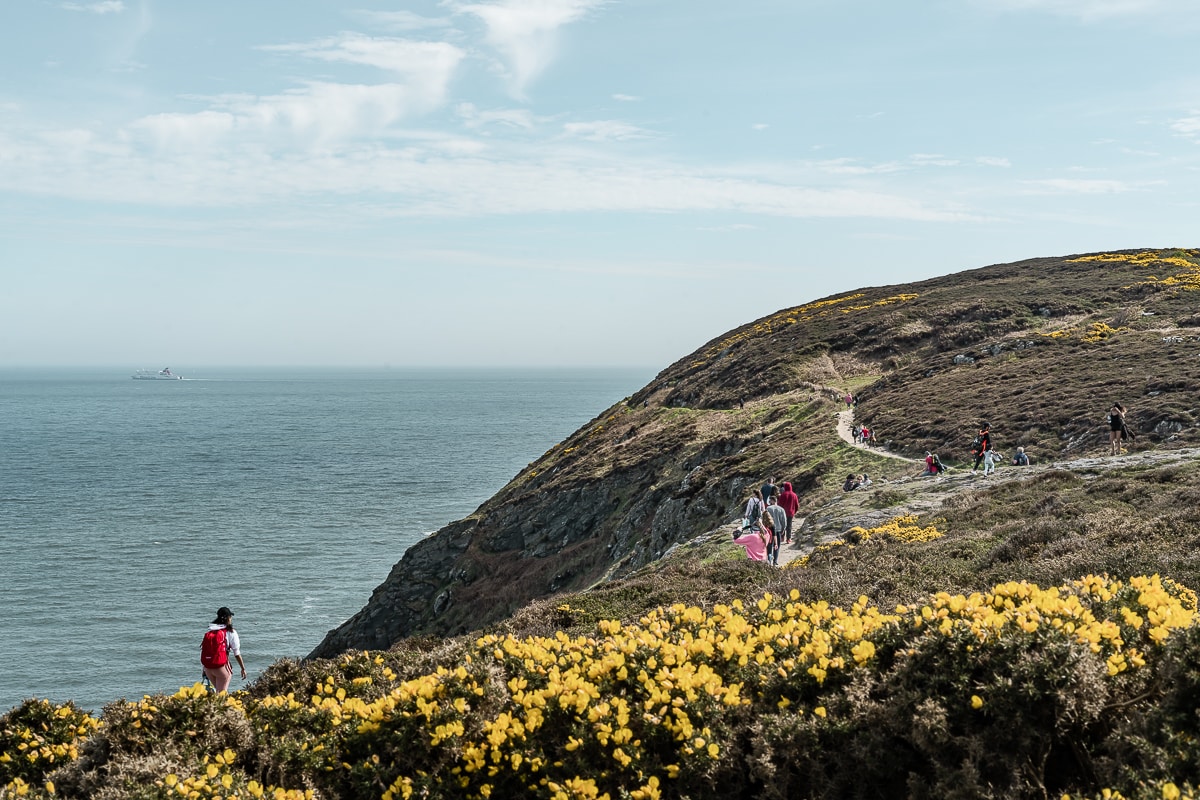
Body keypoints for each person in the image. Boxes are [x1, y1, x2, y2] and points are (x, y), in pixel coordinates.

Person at [201, 607, 246, 693]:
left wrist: (204, 670)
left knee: (218, 692)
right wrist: (243, 668)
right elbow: (236, 653)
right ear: (228, 618)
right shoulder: (231, 632)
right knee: (222, 694)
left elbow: (206, 651)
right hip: (221, 667)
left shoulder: (210, 631)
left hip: (208, 668)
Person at [765, 498, 787, 566]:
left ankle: (769, 560)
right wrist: (783, 529)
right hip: (778, 529)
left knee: (769, 545)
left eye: (770, 500)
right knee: (777, 546)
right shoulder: (781, 509)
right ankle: (775, 560)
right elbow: (784, 521)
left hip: (769, 530)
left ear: (772, 501)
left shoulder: (768, 508)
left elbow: (764, 518)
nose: (769, 502)